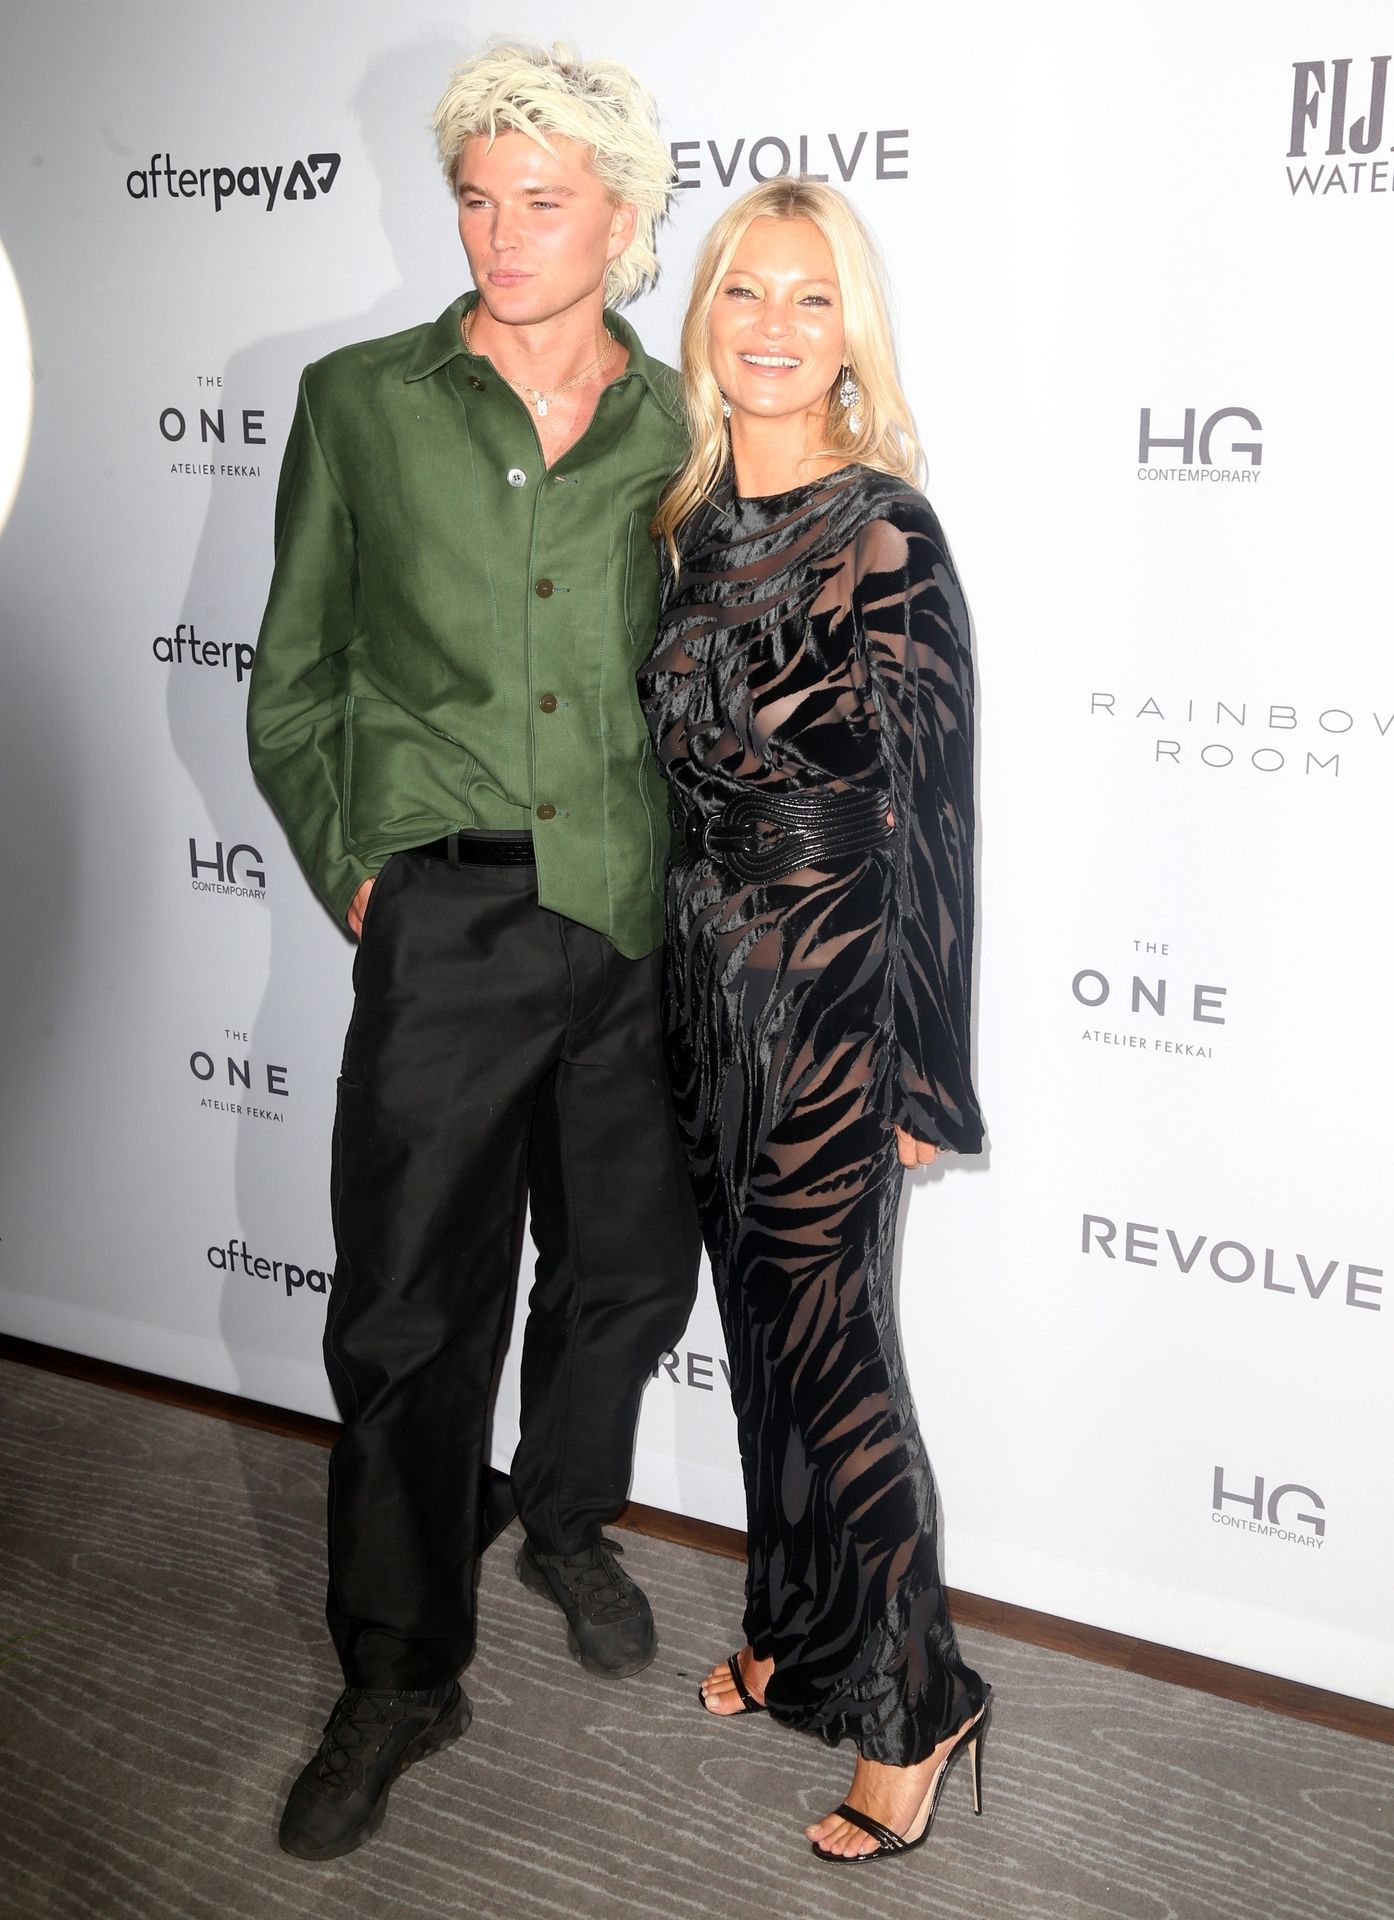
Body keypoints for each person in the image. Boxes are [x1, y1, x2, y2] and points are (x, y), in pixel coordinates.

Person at [247, 42, 700, 1861]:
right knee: (408, 1315)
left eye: (544, 201)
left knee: (621, 1273)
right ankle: (398, 1672)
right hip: (445, 919)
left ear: (622, 217)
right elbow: (295, 676)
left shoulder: (686, 422)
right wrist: (361, 871)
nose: (503, 234)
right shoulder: (358, 400)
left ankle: (564, 1519)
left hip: (635, 914)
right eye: (478, 199)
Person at [639, 178, 990, 1865]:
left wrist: (923, 1069)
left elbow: (935, 818)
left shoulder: (884, 532)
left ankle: (916, 1700)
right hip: (705, 985)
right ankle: (794, 1631)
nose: (771, 328)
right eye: (742, 293)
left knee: (836, 1355)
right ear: (703, 316)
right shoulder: (685, 525)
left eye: (809, 299)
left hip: (839, 993)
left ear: (850, 334)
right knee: (762, 1336)